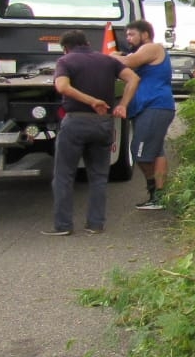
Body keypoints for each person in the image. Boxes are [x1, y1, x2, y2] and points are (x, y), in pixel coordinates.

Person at [45, 29, 140, 236]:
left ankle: (63, 226)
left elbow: (62, 87)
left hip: (75, 122)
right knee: (98, 176)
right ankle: (95, 224)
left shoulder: (65, 61)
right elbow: (133, 79)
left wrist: (91, 101)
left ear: (65, 48)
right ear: (87, 43)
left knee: (64, 175)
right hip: (103, 123)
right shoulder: (108, 61)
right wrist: (123, 104)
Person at [112, 19, 177, 209]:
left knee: (139, 153)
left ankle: (156, 191)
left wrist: (112, 55)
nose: (128, 39)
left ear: (145, 34)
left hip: (155, 106)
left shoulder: (152, 48)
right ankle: (159, 196)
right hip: (147, 108)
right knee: (156, 152)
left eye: (132, 34)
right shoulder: (141, 52)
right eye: (127, 35)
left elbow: (127, 62)